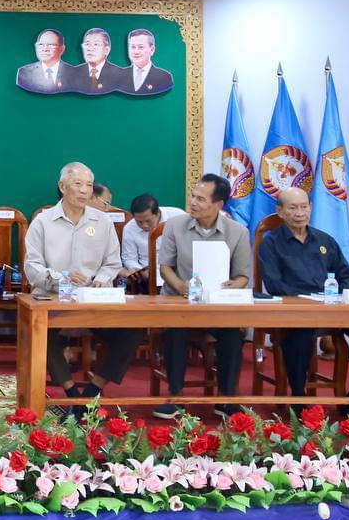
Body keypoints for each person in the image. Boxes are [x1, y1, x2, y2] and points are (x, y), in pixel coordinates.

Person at [257, 187, 349, 425]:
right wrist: (307, 300)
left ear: (311, 208)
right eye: (292, 208)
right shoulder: (271, 244)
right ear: (280, 211)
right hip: (297, 314)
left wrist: (338, 299)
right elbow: (274, 284)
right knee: (299, 336)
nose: (300, 213)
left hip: (334, 310)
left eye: (304, 207)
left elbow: (347, 278)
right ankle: (299, 399)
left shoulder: (324, 240)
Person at [23, 162, 139, 405]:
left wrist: (101, 280)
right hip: (53, 299)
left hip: (93, 301)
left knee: (132, 331)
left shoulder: (103, 221)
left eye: (88, 185)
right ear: (62, 186)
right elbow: (32, 268)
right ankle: (72, 393)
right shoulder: (43, 222)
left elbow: (112, 263)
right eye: (78, 184)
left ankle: (93, 390)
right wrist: (61, 277)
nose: (84, 190)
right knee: (40, 332)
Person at [153, 174, 251, 419]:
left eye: (201, 199)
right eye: (193, 196)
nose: (193, 203)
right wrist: (180, 286)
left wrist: (232, 286)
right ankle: (176, 397)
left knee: (232, 334)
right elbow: (165, 267)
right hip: (181, 301)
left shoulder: (238, 232)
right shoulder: (174, 225)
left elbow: (242, 276)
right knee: (175, 330)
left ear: (219, 204)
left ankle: (226, 399)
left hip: (218, 306)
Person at [120, 194, 186, 291]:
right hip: (149, 277)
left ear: (157, 213)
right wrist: (138, 270)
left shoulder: (178, 216)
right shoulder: (130, 228)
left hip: (178, 274)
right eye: (139, 222)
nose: (144, 225)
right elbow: (129, 258)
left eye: (148, 221)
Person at [15, 28, 81, 94]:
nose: (45, 49)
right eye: (41, 44)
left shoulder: (74, 73)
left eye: (51, 45)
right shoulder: (24, 73)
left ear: (62, 49)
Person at [118, 28, 174, 95]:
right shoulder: (119, 75)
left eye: (141, 47)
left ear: (152, 50)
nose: (136, 52)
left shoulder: (163, 77)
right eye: (133, 47)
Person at [70, 28, 127, 93]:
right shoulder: (73, 73)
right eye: (87, 44)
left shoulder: (120, 74)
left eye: (96, 44)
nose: (90, 49)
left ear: (106, 50)